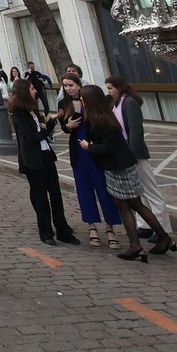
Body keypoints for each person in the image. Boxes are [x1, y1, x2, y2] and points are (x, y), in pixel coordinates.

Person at [78, 86, 172, 262]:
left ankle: (154, 239)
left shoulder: (103, 120)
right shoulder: (98, 117)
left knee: (133, 204)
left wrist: (89, 147)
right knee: (127, 204)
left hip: (120, 167)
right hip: (115, 167)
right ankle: (145, 242)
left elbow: (110, 147)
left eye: (83, 98)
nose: (81, 101)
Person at [7, 79, 79, 246]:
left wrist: (53, 121)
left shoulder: (33, 110)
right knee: (40, 196)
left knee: (55, 194)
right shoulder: (19, 113)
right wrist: (45, 128)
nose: (35, 91)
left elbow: (43, 131)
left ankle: (63, 230)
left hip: (46, 154)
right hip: (33, 159)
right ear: (24, 92)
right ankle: (45, 231)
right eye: (32, 88)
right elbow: (32, 136)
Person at [106, 76, 173, 243]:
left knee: (150, 190)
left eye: (110, 88)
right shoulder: (117, 103)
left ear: (119, 87)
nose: (109, 92)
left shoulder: (129, 102)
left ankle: (163, 226)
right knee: (138, 191)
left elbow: (135, 131)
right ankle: (145, 225)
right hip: (125, 153)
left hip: (135, 154)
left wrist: (132, 154)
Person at [57, 75, 120, 248]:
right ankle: (91, 225)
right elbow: (64, 127)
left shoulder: (90, 99)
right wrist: (67, 126)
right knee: (84, 190)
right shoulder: (63, 103)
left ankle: (110, 227)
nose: (68, 89)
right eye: (65, 86)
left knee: (104, 189)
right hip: (78, 151)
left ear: (79, 85)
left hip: (94, 149)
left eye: (71, 85)